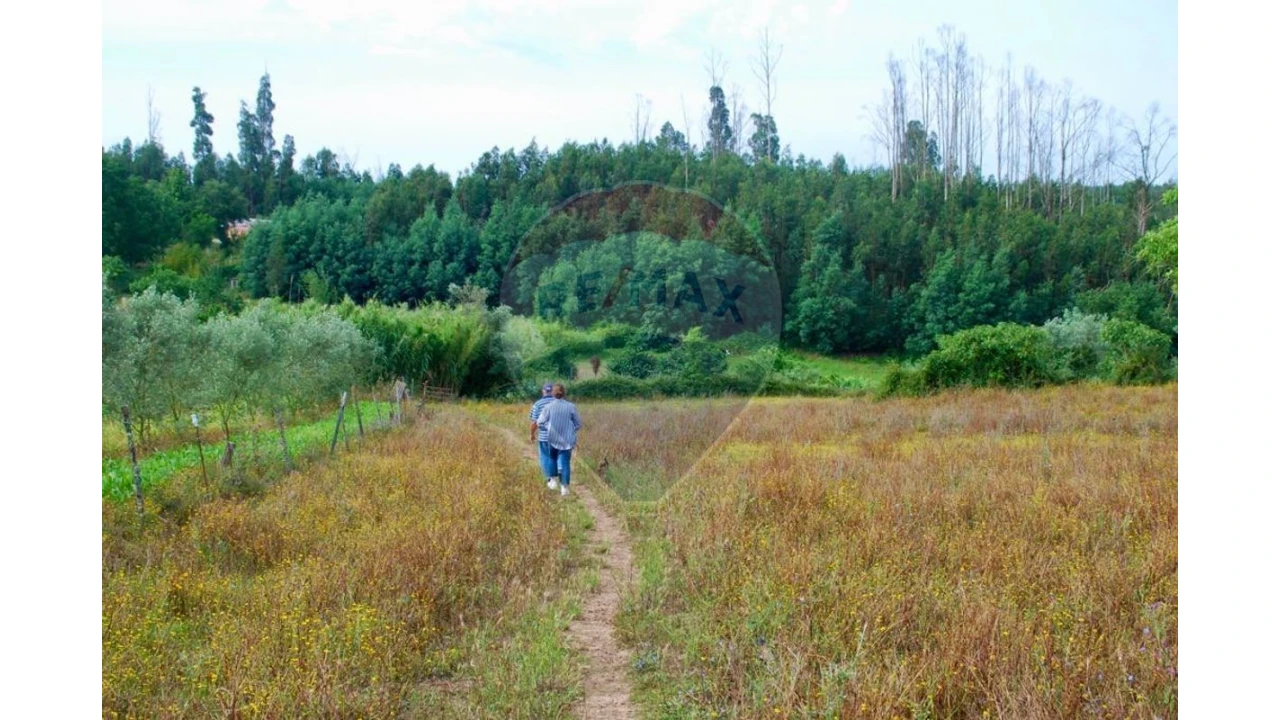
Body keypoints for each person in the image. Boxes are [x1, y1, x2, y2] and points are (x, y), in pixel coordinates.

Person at [536, 383, 582, 497]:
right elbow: (579, 424)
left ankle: (552, 481)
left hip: (552, 438)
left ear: (553, 393)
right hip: (567, 439)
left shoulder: (548, 407)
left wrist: (548, 428)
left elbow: (539, 422)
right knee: (565, 462)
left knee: (552, 458)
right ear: (564, 393)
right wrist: (571, 430)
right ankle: (564, 488)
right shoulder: (571, 406)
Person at [528, 382, 557, 487]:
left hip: (544, 436)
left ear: (543, 391)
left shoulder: (538, 404)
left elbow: (534, 422)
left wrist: (532, 434)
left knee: (545, 457)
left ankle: (550, 479)